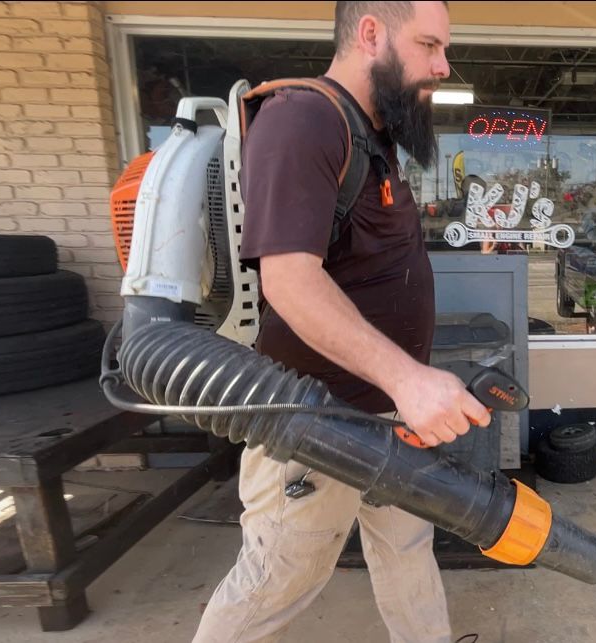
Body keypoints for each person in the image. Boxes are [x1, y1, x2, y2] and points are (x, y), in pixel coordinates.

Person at [193, 2, 491, 642]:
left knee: (406, 547)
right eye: (431, 46)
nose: (444, 65)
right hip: (314, 419)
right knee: (280, 573)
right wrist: (410, 380)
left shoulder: (368, 131)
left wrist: (403, 389)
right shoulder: (305, 121)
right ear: (371, 33)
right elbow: (290, 281)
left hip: (383, 414)